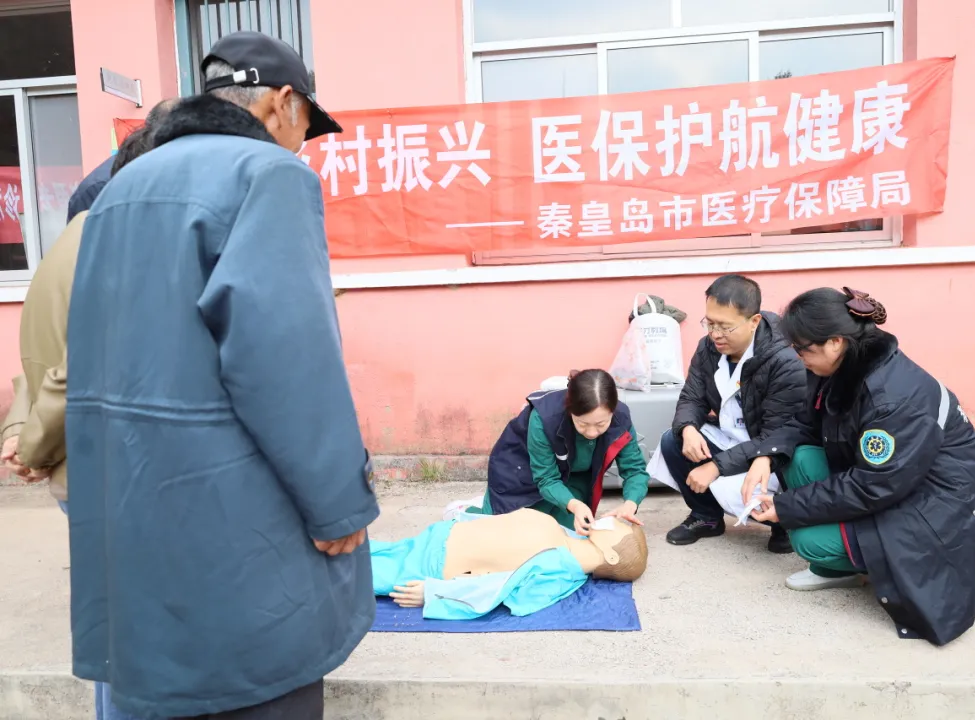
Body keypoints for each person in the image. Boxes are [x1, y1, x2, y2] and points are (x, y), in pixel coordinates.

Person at [64, 31, 378, 720]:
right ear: (284, 102)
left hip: (132, 506)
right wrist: (339, 505)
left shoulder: (120, 185)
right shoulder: (268, 175)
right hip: (238, 520)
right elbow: (288, 362)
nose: (303, 146)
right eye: (307, 128)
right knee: (258, 682)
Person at [0, 112, 173, 720]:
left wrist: (21, 433)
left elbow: (38, 356)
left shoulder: (71, 237)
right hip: (109, 471)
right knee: (140, 645)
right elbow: (77, 369)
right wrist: (34, 445)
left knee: (113, 637)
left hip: (84, 472)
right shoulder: (118, 245)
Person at [747, 287, 975, 646]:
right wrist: (765, 455)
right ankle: (842, 566)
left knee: (807, 540)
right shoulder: (840, 367)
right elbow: (806, 423)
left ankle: (849, 565)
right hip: (896, 482)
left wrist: (786, 507)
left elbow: (873, 486)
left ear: (836, 342)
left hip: (928, 507)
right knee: (798, 457)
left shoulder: (892, 398)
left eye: (802, 348)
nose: (798, 356)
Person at [650, 275, 806, 552]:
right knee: (673, 441)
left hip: (771, 452)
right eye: (710, 323)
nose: (715, 334)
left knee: (743, 488)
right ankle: (706, 517)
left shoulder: (784, 360)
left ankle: (783, 523)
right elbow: (692, 397)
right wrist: (688, 429)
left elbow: (777, 435)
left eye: (725, 326)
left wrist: (715, 467)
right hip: (732, 438)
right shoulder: (707, 348)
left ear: (754, 321)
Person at [377, 509, 648, 619]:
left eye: (617, 527)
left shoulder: (559, 572)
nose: (613, 520)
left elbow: (497, 588)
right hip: (437, 537)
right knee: (358, 548)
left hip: (430, 564)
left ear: (611, 556)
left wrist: (435, 592)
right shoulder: (571, 537)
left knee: (354, 572)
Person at [482, 369, 650, 535]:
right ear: (570, 411)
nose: (592, 433)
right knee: (515, 535)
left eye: (601, 424)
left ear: (613, 412)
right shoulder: (544, 418)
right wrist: (575, 505)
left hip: (571, 479)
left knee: (571, 535)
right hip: (522, 476)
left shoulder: (621, 419)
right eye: (582, 424)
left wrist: (630, 503)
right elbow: (546, 478)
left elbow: (635, 470)